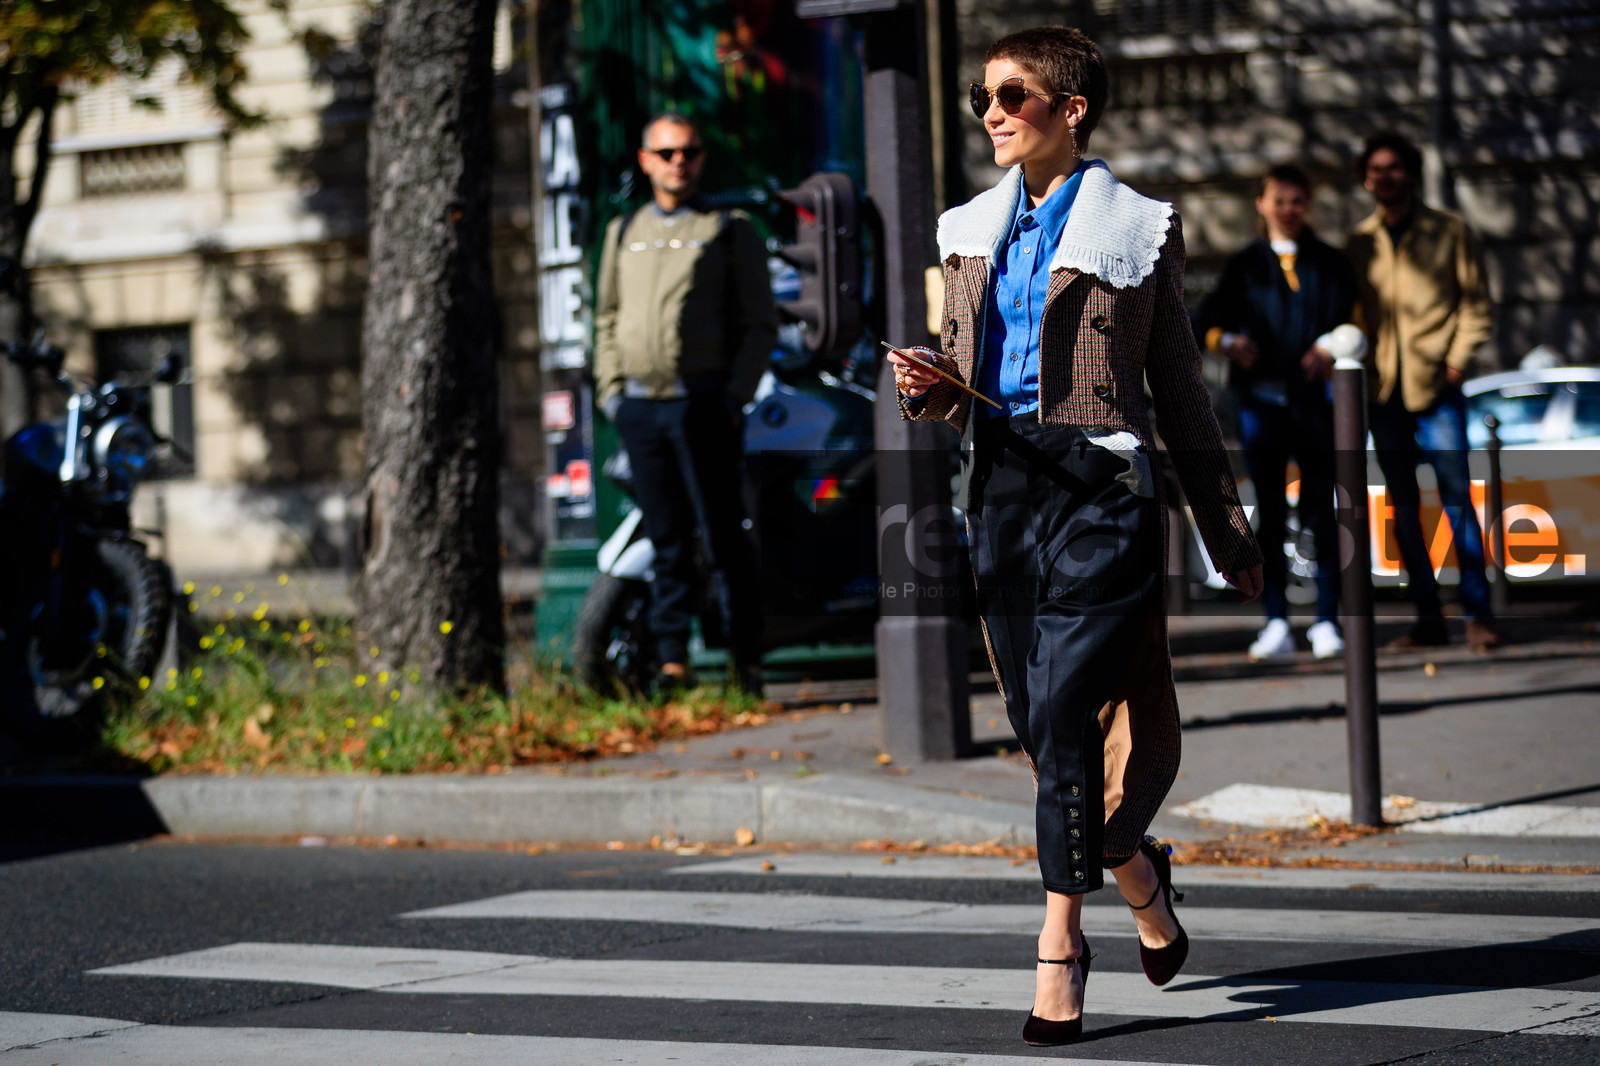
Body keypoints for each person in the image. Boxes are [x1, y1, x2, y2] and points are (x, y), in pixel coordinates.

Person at [888, 26, 1263, 1047]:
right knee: (1035, 715)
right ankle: (1139, 875)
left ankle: (1060, 945)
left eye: (1011, 94)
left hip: (1103, 492)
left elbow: (1178, 387)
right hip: (1002, 491)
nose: (991, 112)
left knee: (1062, 714)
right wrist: (930, 388)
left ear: (1071, 107)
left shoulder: (1136, 227)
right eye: (981, 97)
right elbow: (966, 396)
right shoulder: (967, 227)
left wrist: (1225, 528)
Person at [592, 112, 777, 694]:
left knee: (722, 537)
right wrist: (612, 393)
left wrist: (732, 398)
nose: (679, 162)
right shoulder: (622, 232)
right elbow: (606, 317)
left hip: (703, 406)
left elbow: (760, 325)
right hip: (640, 411)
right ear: (646, 160)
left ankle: (745, 661)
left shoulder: (728, 228)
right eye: (667, 153)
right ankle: (673, 661)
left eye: (690, 152)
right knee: (666, 541)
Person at [1193, 164, 1358, 661]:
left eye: (1297, 201)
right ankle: (1276, 620)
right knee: (1266, 512)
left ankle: (1327, 619)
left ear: (1308, 205)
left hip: (1316, 404)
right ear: (1261, 205)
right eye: (1279, 201)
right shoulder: (1244, 265)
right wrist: (1228, 342)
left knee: (1321, 512)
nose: (1288, 210)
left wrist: (1331, 344)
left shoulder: (1331, 263)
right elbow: (1207, 320)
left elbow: (1356, 317)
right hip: (1262, 403)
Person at [1347, 133, 1497, 652]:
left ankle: (1479, 616)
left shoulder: (1451, 232)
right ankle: (1428, 618)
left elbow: (1477, 305)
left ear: (1410, 173)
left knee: (1458, 505)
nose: (1383, 177)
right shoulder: (1359, 242)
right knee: (1403, 511)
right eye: (1374, 170)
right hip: (1383, 394)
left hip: (1438, 389)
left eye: (1393, 168)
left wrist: (1455, 362)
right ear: (1366, 180)